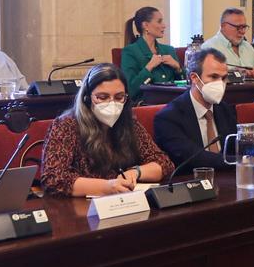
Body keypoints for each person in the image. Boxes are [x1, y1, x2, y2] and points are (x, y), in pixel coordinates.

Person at [40, 63, 174, 196]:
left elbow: (163, 163)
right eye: (102, 97)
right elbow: (53, 178)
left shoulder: (129, 123)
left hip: (125, 204)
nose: (112, 103)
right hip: (82, 209)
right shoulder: (66, 126)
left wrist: (135, 172)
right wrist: (108, 186)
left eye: (119, 97)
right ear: (87, 98)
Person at [154, 48, 254, 171]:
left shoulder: (224, 109)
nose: (220, 84)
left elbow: (241, 144)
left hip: (226, 179)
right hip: (190, 184)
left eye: (223, 78)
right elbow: (195, 158)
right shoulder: (169, 117)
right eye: (213, 77)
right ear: (194, 78)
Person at [120, 6, 183, 98]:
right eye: (159, 21)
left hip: (173, 103)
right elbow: (131, 90)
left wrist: (178, 68)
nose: (164, 25)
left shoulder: (169, 50)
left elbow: (185, 86)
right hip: (147, 105)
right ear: (146, 26)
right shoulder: (130, 52)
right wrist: (149, 67)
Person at [202, 7, 254, 77]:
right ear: (223, 26)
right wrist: (233, 73)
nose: (242, 31)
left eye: (244, 27)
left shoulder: (248, 48)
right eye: (238, 27)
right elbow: (209, 78)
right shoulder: (209, 48)